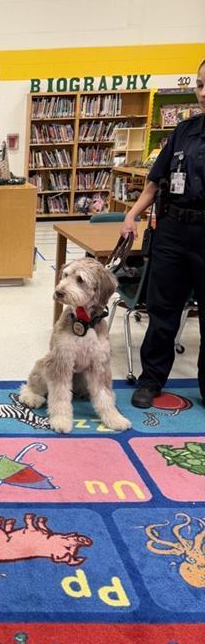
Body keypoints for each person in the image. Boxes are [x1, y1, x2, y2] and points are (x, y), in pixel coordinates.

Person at [121, 59, 205, 408]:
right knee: (162, 311)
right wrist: (132, 214)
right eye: (200, 84)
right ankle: (151, 380)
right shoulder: (184, 131)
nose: (203, 92)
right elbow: (155, 182)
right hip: (173, 231)